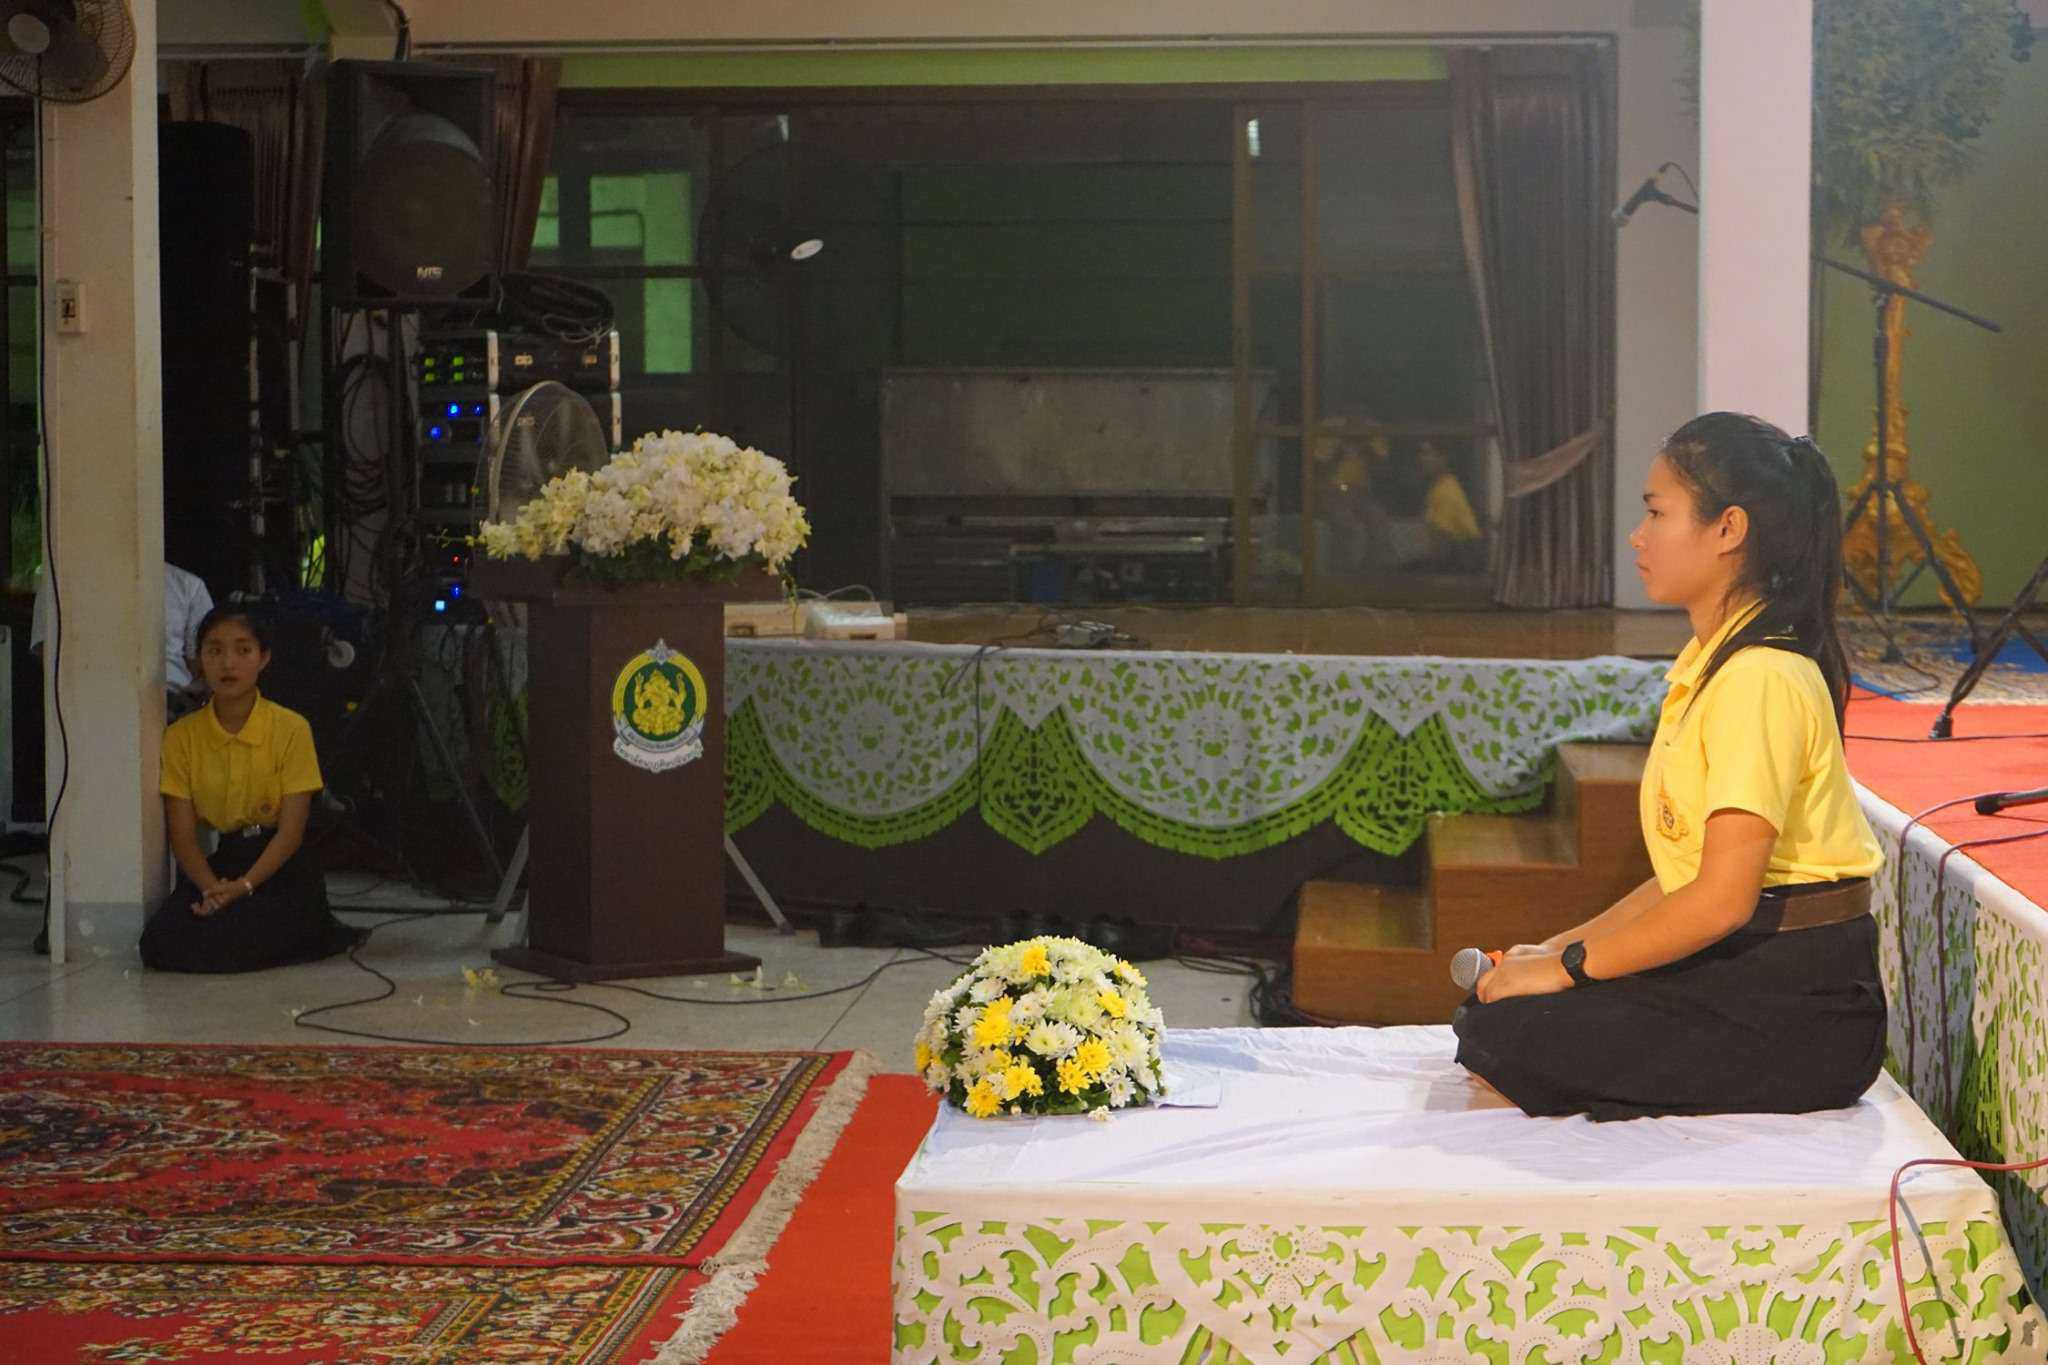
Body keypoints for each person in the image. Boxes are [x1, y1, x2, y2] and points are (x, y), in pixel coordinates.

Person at [1451, 412, 1887, 1120]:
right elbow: (1682, 881)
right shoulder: (1714, 664)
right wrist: (1557, 948)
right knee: (1499, 1011)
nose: (1638, 535)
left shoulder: (1760, 677)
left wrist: (1565, 969)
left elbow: (1720, 902)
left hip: (1800, 1005)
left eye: (1657, 513)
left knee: (1510, 1034)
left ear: (1728, 529)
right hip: (1752, 971)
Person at [139, 606, 363, 973]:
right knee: (158, 944)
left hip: (281, 864)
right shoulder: (181, 736)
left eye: (243, 650)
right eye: (215, 650)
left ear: (264, 658)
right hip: (227, 859)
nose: (228, 663)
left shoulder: (291, 728)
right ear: (200, 659)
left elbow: (291, 832)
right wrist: (213, 890)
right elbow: (183, 836)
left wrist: (243, 887)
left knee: (239, 939)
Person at [31, 560, 214, 717]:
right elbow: (49, 655)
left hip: (170, 707)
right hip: (89, 705)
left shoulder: (188, 586)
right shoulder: (57, 583)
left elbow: (202, 664)